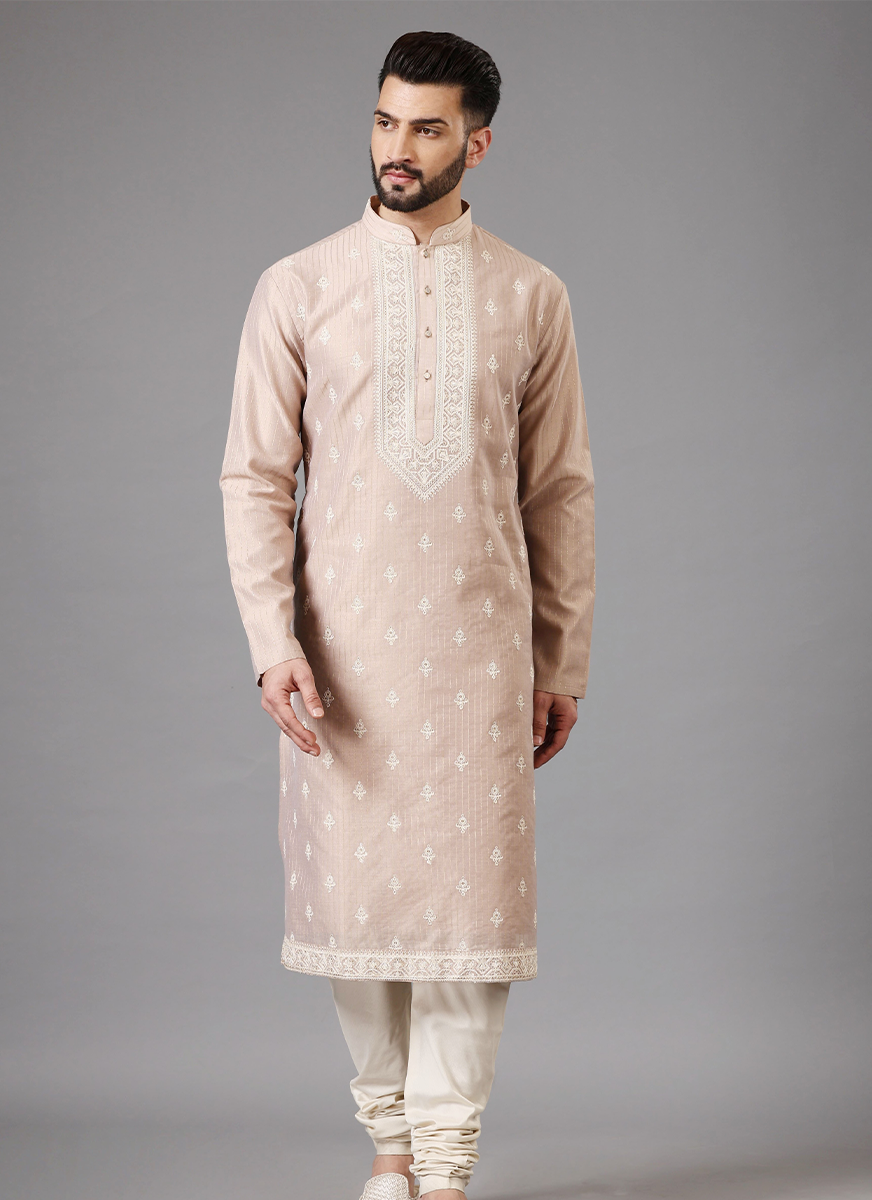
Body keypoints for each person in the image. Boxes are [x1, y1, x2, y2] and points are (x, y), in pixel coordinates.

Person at [219, 29, 595, 1200]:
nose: (398, 147)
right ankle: (388, 1147)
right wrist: (273, 644)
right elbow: (254, 479)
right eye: (385, 121)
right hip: (343, 661)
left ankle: (446, 1166)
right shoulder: (298, 285)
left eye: (427, 128)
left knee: (469, 920)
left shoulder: (530, 294)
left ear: (475, 144)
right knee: (358, 905)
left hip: (479, 657)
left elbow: (558, 491)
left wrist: (560, 659)